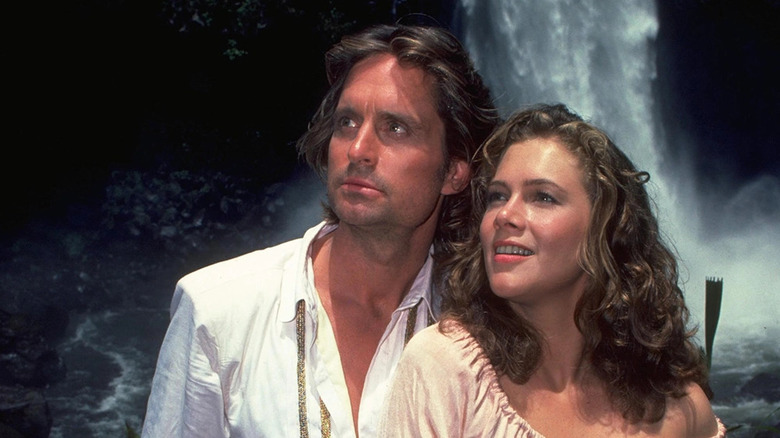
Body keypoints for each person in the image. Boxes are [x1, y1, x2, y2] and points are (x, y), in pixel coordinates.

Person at [141, 23, 499, 437]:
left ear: (454, 172)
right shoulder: (217, 312)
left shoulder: (482, 333)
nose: (358, 150)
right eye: (347, 123)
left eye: (395, 128)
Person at [379, 104, 726, 437]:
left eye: (543, 197)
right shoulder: (445, 370)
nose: (505, 215)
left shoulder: (679, 409)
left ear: (606, 228)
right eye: (497, 196)